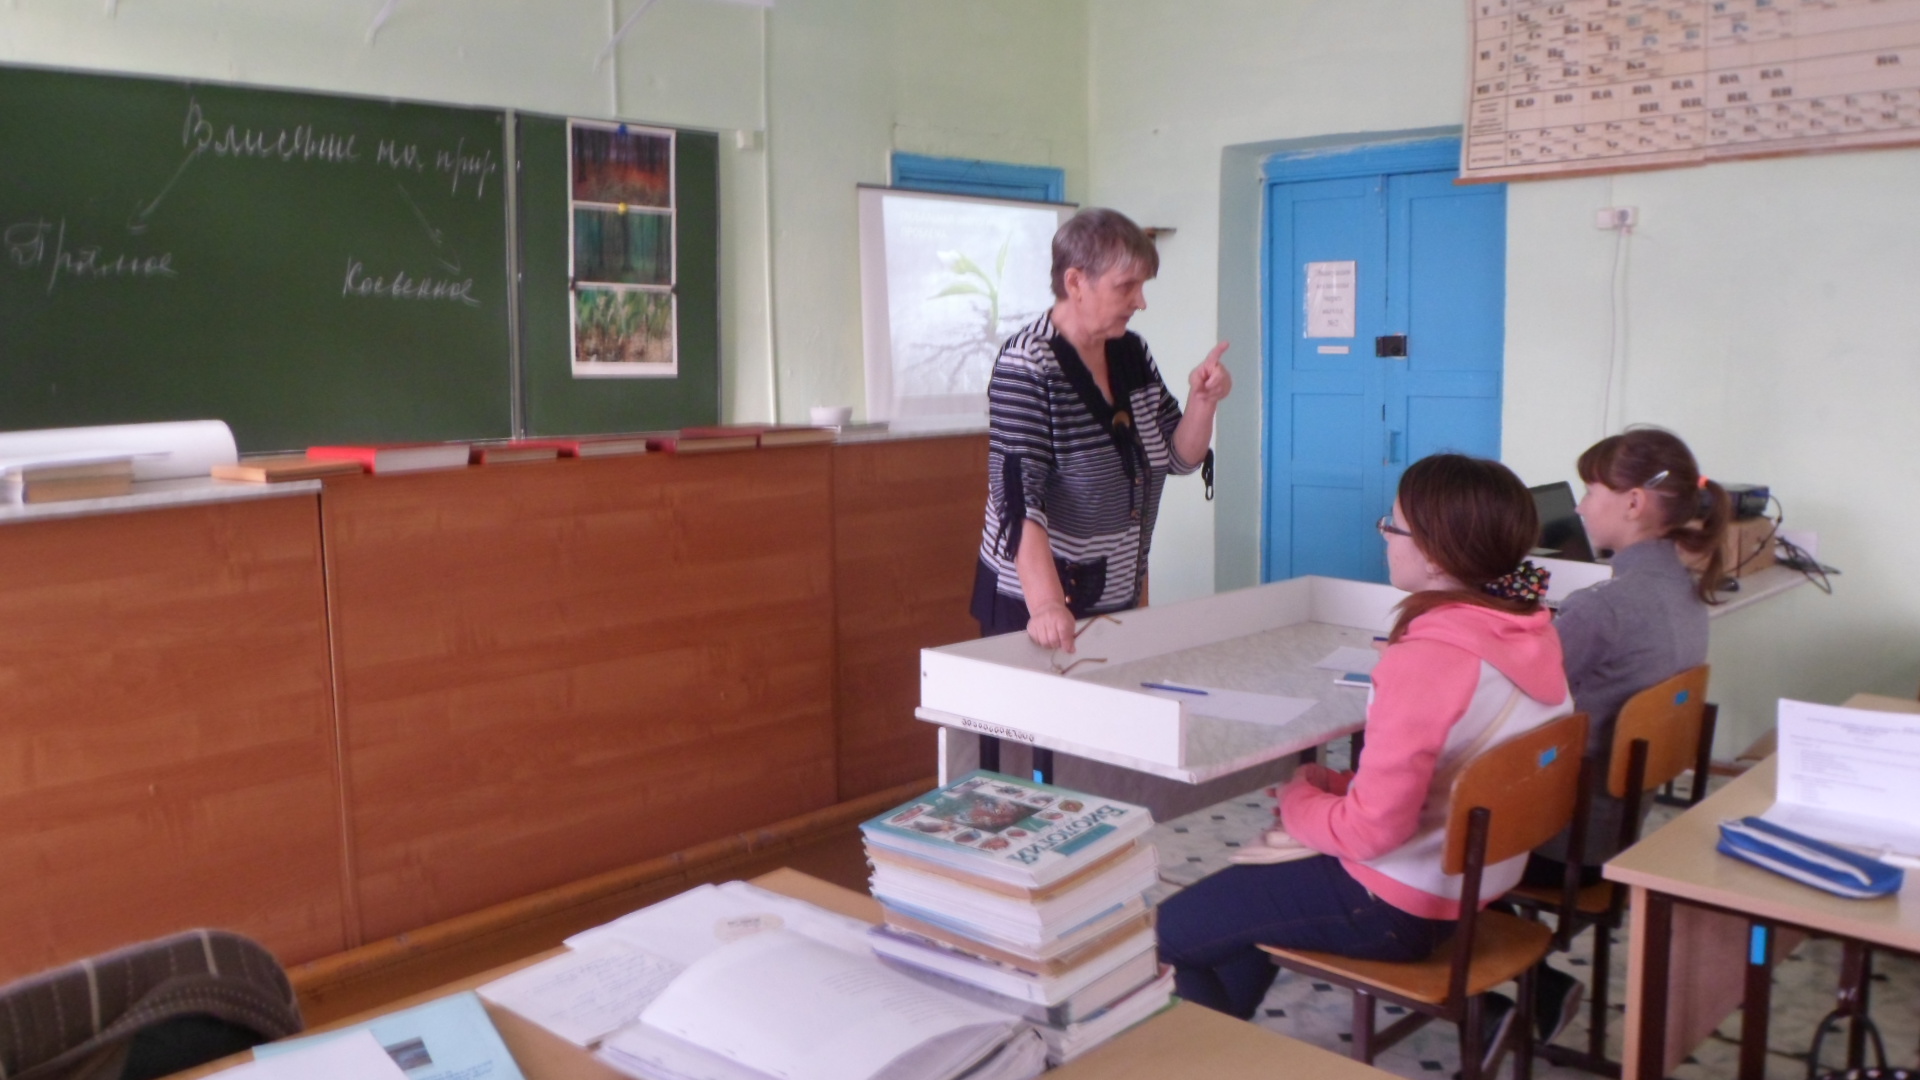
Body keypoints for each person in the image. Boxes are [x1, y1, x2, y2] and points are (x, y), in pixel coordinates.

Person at [1157, 454, 1572, 1037]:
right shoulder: (1532, 630)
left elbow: (1370, 834)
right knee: (1240, 904)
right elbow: (1457, 765)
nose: (1384, 536)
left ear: (1433, 555)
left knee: (1163, 936)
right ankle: (1229, 1037)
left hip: (1398, 905)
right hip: (1480, 882)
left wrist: (1299, 799)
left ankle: (1216, 1054)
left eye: (1392, 525)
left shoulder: (1431, 659)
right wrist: (1343, 788)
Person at [1521, 426, 1731, 1043]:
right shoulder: (1688, 594)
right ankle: (1530, 982)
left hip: (1562, 847)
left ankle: (1534, 984)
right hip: (1617, 831)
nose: (1583, 506)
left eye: (1591, 491)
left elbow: (1512, 693)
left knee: (1424, 829)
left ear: (1634, 502)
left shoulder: (1605, 607)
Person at [970, 207, 1231, 647]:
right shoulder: (1028, 363)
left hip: (1115, 595)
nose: (1141, 301)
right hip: (1033, 606)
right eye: (1126, 286)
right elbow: (1018, 496)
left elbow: (1178, 457)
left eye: (1142, 286)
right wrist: (1047, 605)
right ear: (1075, 282)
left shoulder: (1130, 352)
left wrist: (1203, 401)